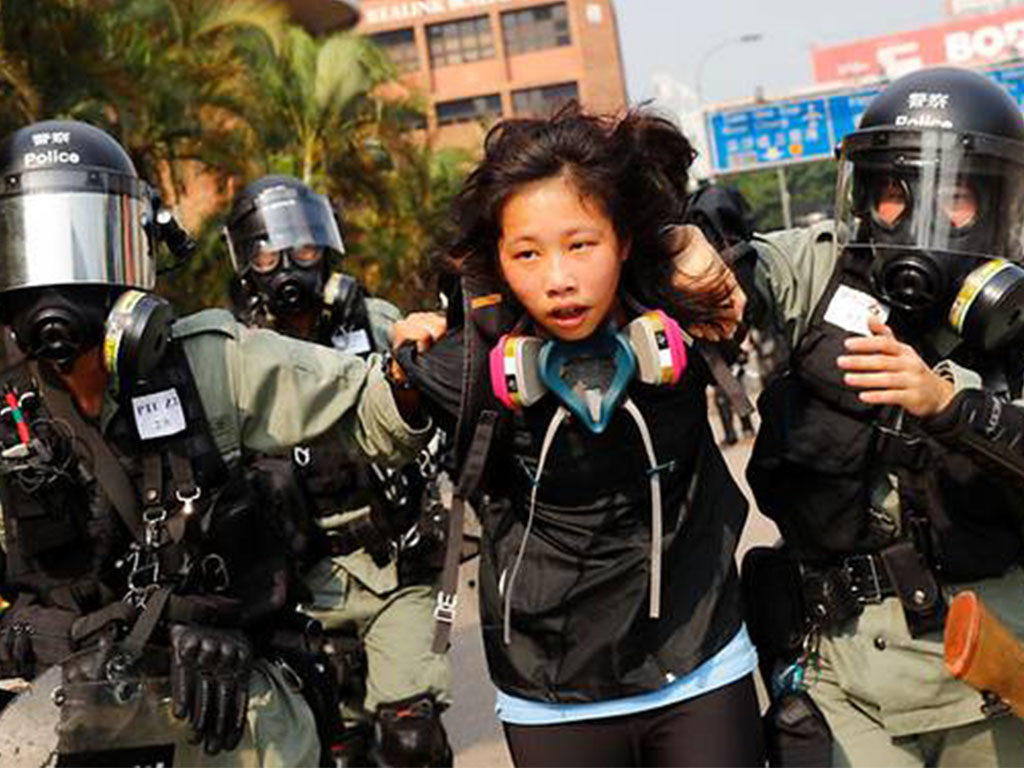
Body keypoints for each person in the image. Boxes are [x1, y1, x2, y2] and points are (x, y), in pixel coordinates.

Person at [0, 120, 430, 766]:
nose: (60, 287)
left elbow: (371, 406)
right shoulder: (8, 404)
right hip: (64, 707)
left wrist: (416, 374)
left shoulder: (212, 364)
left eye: (92, 245)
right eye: (31, 250)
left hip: (236, 701)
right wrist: (25, 632)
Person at [392, 105, 764, 767]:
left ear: (623, 240)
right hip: (550, 693)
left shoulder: (690, 305)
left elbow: (787, 258)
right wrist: (403, 365)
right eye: (527, 254)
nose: (558, 279)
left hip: (700, 665)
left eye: (580, 244)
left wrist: (689, 238)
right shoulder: (467, 363)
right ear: (498, 264)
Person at [736, 66, 1024, 766]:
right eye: (894, 194)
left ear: (993, 204)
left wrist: (950, 407)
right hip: (844, 678)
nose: (915, 220)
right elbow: (738, 271)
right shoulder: (824, 275)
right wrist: (704, 257)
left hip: (988, 673)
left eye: (950, 196)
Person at [223, 175, 452, 766]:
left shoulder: (377, 324)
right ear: (247, 264)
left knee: (411, 739)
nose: (288, 268)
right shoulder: (236, 354)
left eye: (302, 250)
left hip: (393, 566)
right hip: (300, 585)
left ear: (326, 251)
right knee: (338, 751)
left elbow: (435, 405)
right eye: (268, 254)